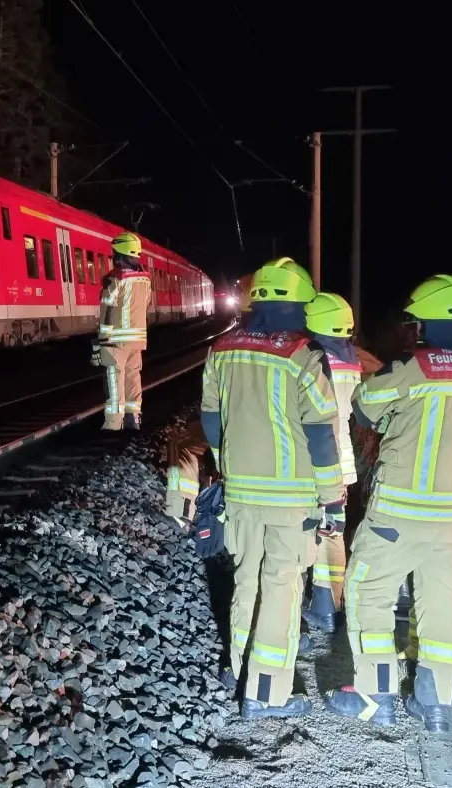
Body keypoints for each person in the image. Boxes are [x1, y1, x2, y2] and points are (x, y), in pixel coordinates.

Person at [324, 274, 452, 732]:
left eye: (418, 321)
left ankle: (373, 695)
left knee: (371, 592)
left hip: (399, 514)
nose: (415, 329)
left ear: (432, 320)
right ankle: (436, 705)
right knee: (443, 601)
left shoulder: (413, 366)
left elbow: (364, 407)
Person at [201, 258, 345, 719]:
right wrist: (333, 498)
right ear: (299, 303)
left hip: (241, 493)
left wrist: (228, 466)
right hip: (290, 499)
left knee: (247, 578)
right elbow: (321, 435)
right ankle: (266, 694)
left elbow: (209, 418)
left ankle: (238, 667)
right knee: (281, 589)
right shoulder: (304, 354)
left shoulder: (222, 347)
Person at [301, 291, 361, 634]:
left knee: (303, 531)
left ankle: (297, 603)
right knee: (332, 535)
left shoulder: (313, 358)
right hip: (342, 462)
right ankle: (327, 606)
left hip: (314, 462)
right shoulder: (349, 357)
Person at [96, 232, 152, 431]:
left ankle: (113, 423)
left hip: (116, 339)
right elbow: (146, 304)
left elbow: (107, 308)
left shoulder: (114, 279)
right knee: (132, 378)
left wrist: (103, 338)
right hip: (137, 339)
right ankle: (134, 418)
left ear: (119, 253)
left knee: (114, 378)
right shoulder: (145, 279)